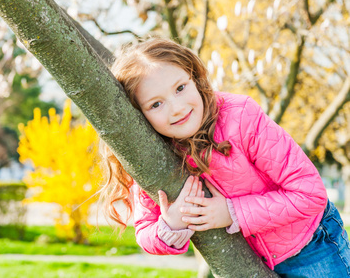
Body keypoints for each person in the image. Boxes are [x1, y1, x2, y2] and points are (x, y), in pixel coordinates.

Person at [100, 37, 350, 277]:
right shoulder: (151, 154)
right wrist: (171, 224)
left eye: (180, 88)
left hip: (311, 245)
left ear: (194, 78)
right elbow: (145, 232)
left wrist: (233, 213)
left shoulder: (240, 118)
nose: (176, 108)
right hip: (246, 262)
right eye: (156, 104)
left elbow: (310, 193)